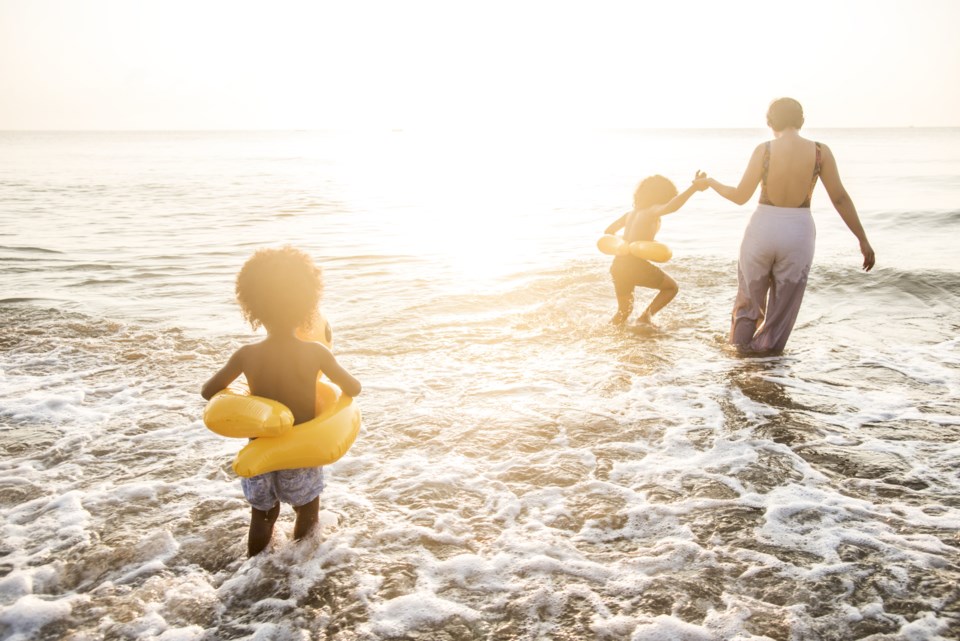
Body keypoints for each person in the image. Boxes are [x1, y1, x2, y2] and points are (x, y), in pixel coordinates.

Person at [202, 246, 362, 556]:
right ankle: (300, 567)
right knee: (306, 510)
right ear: (308, 306)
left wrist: (242, 400)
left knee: (263, 517)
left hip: (259, 455)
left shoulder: (246, 355)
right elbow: (353, 388)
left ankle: (254, 569)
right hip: (299, 455)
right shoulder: (316, 353)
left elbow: (209, 391)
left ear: (254, 309)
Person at [703, 98, 875, 354]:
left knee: (748, 301)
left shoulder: (765, 150)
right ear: (802, 120)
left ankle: (738, 358)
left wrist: (711, 182)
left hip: (761, 229)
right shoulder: (820, 152)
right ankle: (767, 365)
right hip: (798, 232)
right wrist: (862, 239)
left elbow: (740, 196)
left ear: (770, 122)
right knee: (782, 311)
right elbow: (839, 198)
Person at [605, 172, 707, 327]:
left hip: (618, 265)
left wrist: (626, 245)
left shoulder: (629, 214)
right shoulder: (651, 211)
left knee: (623, 312)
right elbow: (673, 206)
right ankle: (646, 317)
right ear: (663, 196)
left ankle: (608, 333)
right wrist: (694, 188)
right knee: (671, 288)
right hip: (636, 265)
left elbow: (609, 231)